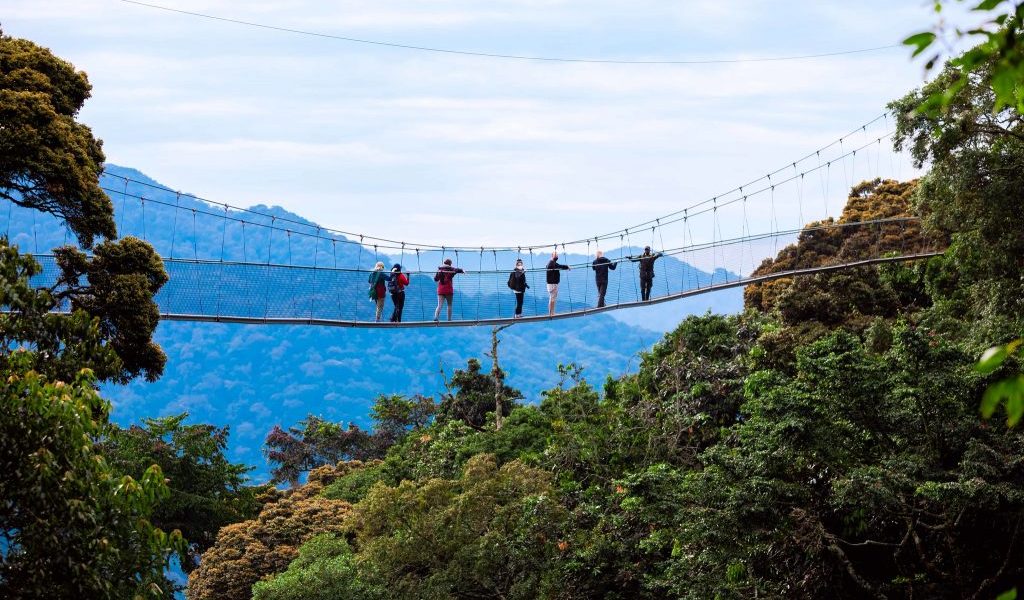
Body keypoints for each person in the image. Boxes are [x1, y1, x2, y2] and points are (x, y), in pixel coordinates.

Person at [545, 251, 570, 316]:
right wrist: (567, 267)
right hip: (552, 284)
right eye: (555, 255)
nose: (557, 257)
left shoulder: (551, 263)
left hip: (552, 284)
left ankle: (552, 312)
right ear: (552, 255)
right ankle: (551, 313)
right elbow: (560, 266)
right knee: (552, 299)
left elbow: (558, 266)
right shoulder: (552, 263)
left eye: (557, 255)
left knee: (552, 298)